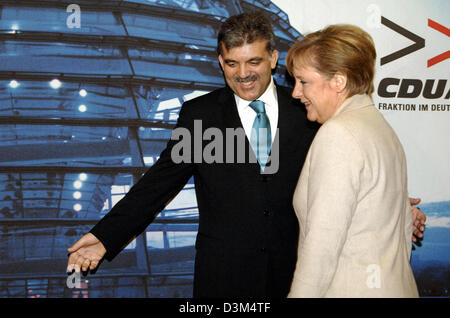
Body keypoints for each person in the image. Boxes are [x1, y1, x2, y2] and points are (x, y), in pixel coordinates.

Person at [67, 12, 425, 298]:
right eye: (231, 64)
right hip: (225, 279)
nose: (243, 74)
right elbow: (158, 184)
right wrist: (106, 236)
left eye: (253, 62)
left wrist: (393, 204)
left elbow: (348, 171)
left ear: (273, 58)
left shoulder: (311, 110)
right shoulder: (200, 116)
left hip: (297, 273)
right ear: (219, 60)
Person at [286, 24, 419, 297]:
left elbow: (321, 246)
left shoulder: (339, 133)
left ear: (339, 81)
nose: (296, 93)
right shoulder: (379, 127)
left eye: (304, 81)